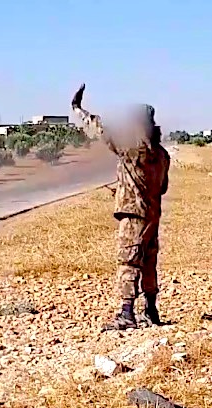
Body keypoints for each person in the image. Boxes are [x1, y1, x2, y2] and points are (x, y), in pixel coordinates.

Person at [71, 83, 171, 331]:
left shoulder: (130, 148)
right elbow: (163, 187)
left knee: (128, 261)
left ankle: (126, 313)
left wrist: (77, 109)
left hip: (133, 215)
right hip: (152, 216)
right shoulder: (162, 154)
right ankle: (151, 310)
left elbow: (100, 130)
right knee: (149, 261)